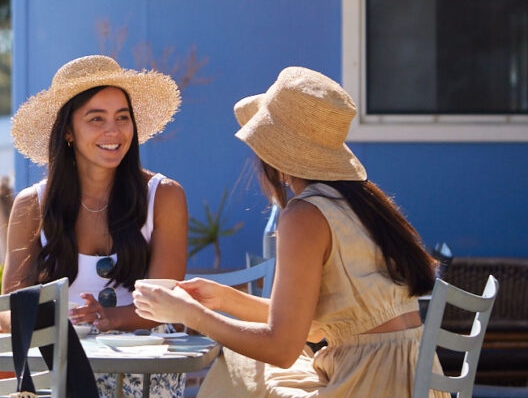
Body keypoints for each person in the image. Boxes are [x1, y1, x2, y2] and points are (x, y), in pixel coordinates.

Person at [133, 67, 448, 397]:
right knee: (243, 357)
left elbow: (282, 348)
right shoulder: (361, 204)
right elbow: (309, 328)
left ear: (273, 152)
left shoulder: (306, 215)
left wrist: (189, 314)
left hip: (366, 384)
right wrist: (223, 299)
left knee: (240, 361)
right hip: (411, 380)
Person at [1, 55, 189, 397]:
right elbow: (10, 307)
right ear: (69, 132)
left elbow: (167, 304)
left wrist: (106, 318)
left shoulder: (164, 196)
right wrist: (60, 334)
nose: (113, 131)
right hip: (59, 370)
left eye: (122, 117)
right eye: (96, 119)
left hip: (143, 371)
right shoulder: (32, 205)